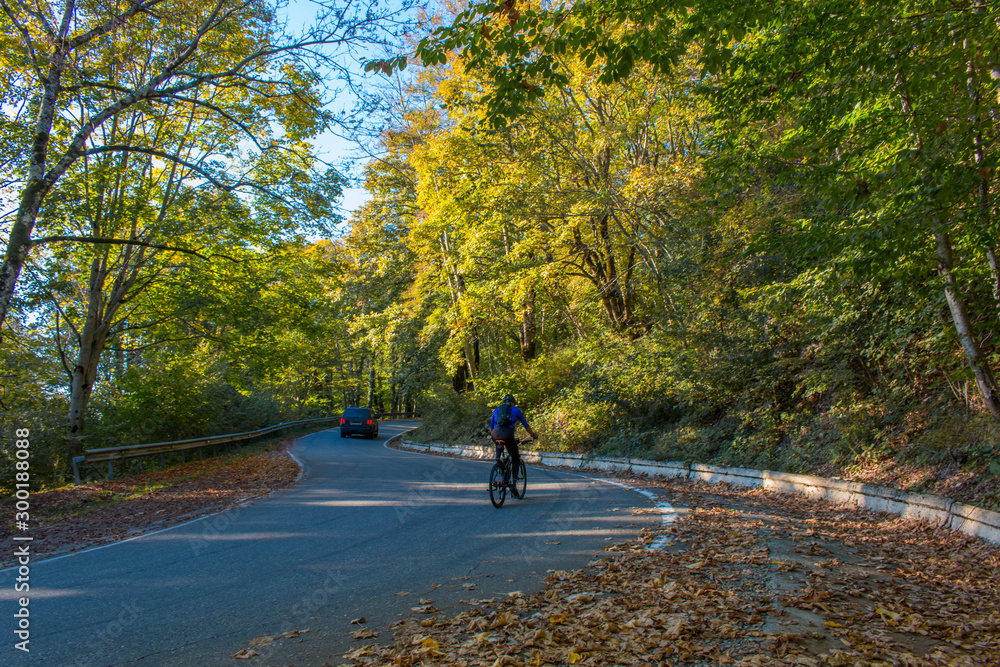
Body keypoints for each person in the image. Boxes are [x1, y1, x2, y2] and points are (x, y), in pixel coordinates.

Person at [488, 394, 538, 481]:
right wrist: (533, 434)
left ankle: (498, 462)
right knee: (515, 457)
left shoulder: (497, 409)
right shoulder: (516, 409)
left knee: (499, 447)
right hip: (507, 434)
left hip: (495, 434)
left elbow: (491, 428)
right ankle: (514, 482)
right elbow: (526, 425)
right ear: (512, 403)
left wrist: (496, 438)